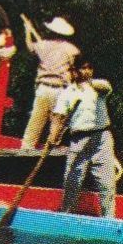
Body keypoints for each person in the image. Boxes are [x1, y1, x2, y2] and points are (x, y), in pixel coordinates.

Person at [49, 58, 118, 218]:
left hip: (101, 139)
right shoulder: (67, 94)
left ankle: (109, 221)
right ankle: (65, 217)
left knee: (107, 184)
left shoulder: (99, 87)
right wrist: (53, 136)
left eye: (89, 67)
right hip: (78, 142)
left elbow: (107, 87)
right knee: (72, 183)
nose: (87, 71)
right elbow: (58, 117)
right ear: (74, 71)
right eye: (83, 68)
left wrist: (89, 83)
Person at [20, 16, 81, 151]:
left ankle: (25, 152)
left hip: (44, 90)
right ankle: (52, 153)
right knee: (57, 129)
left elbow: (30, 47)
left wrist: (28, 31)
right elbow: (76, 68)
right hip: (60, 92)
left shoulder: (43, 45)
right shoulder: (72, 49)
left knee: (33, 129)